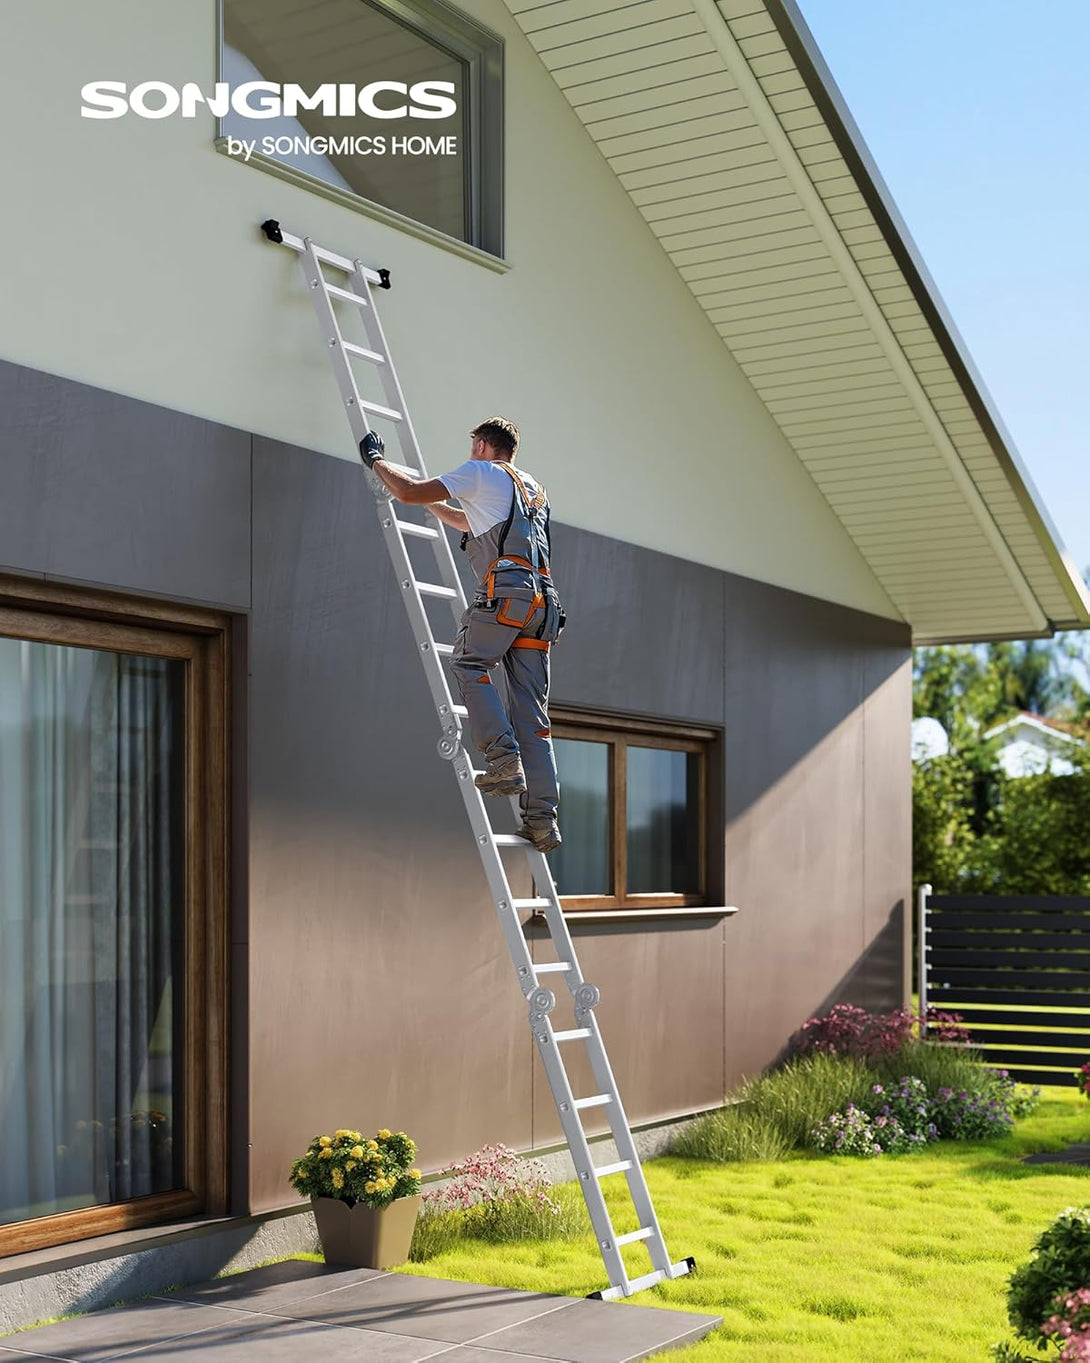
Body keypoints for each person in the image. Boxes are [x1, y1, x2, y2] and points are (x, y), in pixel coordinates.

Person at [362, 418, 564, 853]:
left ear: (483, 445)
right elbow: (466, 521)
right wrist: (436, 508)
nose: (470, 450)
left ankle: (503, 760)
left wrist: (376, 460)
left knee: (470, 663)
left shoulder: (479, 472)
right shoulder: (531, 489)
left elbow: (409, 491)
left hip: (506, 597)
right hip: (540, 606)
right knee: (533, 716)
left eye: (473, 443)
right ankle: (543, 822)